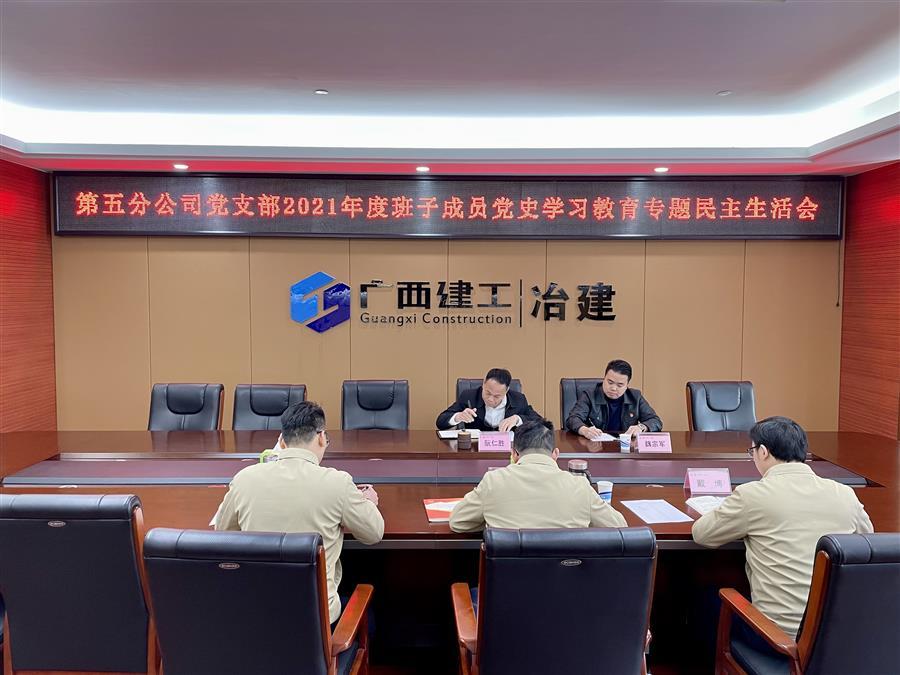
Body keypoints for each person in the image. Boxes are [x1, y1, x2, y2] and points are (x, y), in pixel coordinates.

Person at [692, 416, 873, 639]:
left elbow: (702, 534)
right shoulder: (845, 494)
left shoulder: (753, 495)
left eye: (752, 451)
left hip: (777, 638)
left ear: (763, 452)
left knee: (705, 597)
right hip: (834, 636)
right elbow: (868, 543)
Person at [214, 401, 384, 624]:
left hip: (256, 616)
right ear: (321, 437)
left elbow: (223, 534)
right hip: (316, 619)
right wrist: (368, 503)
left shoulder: (244, 479)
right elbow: (373, 533)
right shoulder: (337, 483)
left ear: (282, 442)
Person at [449, 419, 627, 532]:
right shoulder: (579, 486)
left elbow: (457, 522)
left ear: (514, 454)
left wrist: (491, 517)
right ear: (555, 454)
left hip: (509, 582)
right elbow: (619, 526)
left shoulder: (494, 481)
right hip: (565, 581)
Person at [565, 359, 662, 439]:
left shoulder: (635, 397)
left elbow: (655, 421)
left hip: (625, 447)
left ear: (627, 385)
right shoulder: (589, 395)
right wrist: (585, 430)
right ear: (604, 378)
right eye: (610, 382)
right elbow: (573, 419)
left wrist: (641, 427)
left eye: (620, 385)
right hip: (595, 447)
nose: (613, 388)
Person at [436, 368, 541, 432]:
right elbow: (440, 421)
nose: (490, 399)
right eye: (487, 393)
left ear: (507, 390)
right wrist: (457, 417)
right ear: (483, 384)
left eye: (497, 396)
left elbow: (541, 422)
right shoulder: (469, 396)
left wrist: (518, 419)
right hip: (475, 450)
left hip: (508, 451)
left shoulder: (518, 399)